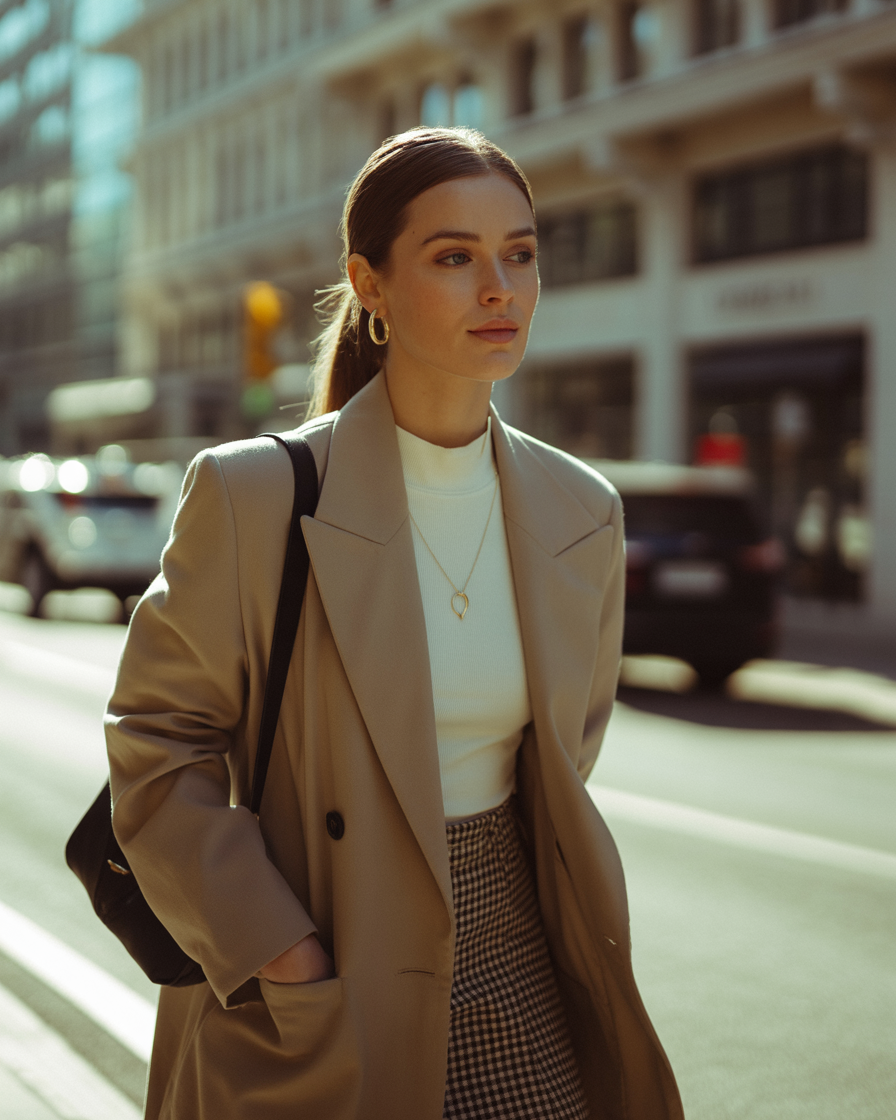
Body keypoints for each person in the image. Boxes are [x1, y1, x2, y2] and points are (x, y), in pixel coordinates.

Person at [106, 126, 683, 1120]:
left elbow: (561, 758)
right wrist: (280, 952)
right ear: (367, 285)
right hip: (326, 961)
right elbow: (157, 747)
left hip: (519, 958)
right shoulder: (256, 495)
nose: (498, 287)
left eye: (519, 252)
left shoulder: (580, 510)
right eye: (453, 258)